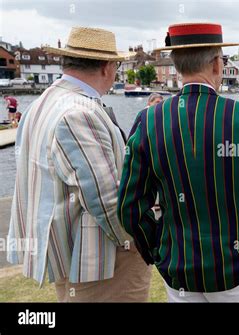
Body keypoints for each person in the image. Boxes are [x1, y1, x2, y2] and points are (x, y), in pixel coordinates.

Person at [118, 22, 239, 303]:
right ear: (217, 65)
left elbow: (130, 206)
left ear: (177, 65)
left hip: (180, 270)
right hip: (238, 269)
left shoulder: (148, 121)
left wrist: (159, 252)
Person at [7, 27, 152, 302]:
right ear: (108, 67)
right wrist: (140, 240)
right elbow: (105, 198)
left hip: (69, 253)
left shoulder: (43, 103)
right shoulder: (80, 113)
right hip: (99, 263)